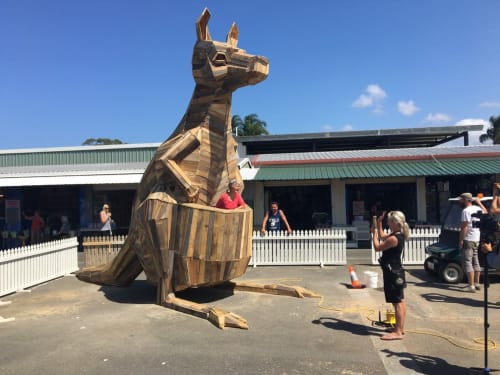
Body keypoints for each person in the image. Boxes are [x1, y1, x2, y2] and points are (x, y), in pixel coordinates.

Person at [372, 210, 410, 340]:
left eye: (389, 221)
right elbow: (383, 235)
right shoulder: (396, 234)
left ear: (395, 223)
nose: (388, 222)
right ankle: (399, 328)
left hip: (393, 273)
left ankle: (398, 332)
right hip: (395, 272)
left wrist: (373, 234)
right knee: (400, 301)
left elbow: (378, 247)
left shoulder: (394, 238)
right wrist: (379, 223)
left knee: (397, 302)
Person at [458, 192, 482, 293]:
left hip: (469, 237)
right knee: (475, 260)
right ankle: (477, 283)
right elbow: (485, 212)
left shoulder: (465, 211)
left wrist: (461, 239)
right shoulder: (478, 208)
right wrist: (479, 203)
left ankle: (471, 285)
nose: (460, 201)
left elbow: (464, 226)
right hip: (477, 237)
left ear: (465, 200)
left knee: (468, 262)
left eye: (461, 199)